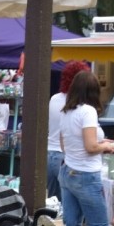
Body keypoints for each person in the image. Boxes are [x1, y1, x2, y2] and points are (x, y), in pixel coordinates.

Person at [58, 70, 114, 226]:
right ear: (93, 91)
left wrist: (95, 146)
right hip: (86, 174)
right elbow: (91, 146)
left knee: (71, 225)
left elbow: (63, 142)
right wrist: (107, 146)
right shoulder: (88, 111)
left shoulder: (66, 111)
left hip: (67, 171)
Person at [48, 61, 90, 201]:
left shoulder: (53, 99)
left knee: (53, 204)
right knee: (71, 206)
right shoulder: (81, 105)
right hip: (66, 158)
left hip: (49, 154)